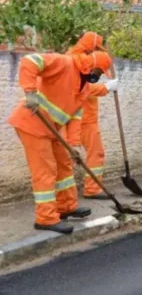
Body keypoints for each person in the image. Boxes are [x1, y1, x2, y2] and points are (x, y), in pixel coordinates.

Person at [7, 49, 113, 234]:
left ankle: (66, 207)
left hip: (52, 129)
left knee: (64, 164)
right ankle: (45, 218)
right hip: (32, 123)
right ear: (93, 66)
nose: (99, 76)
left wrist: (73, 145)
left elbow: (75, 115)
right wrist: (30, 92)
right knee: (45, 171)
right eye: (100, 72)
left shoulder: (85, 88)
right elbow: (30, 60)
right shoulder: (64, 63)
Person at [64, 33, 119, 199]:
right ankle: (91, 189)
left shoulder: (74, 57)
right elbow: (80, 88)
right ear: (92, 48)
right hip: (82, 119)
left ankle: (71, 195)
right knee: (95, 154)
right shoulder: (76, 60)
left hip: (81, 117)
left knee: (72, 157)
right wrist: (106, 88)